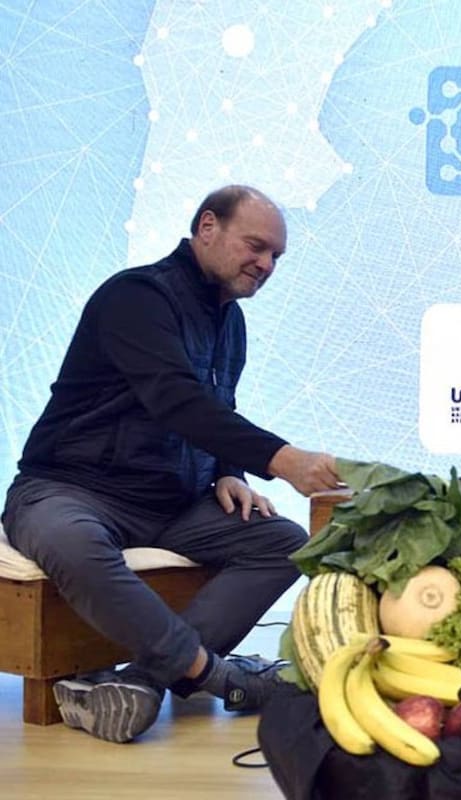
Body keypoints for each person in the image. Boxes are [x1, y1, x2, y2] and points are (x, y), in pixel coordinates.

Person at [1, 185, 342, 744]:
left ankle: (140, 683)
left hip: (171, 505)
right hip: (69, 488)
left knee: (284, 542)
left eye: (276, 256)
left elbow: (216, 407)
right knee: (74, 544)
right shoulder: (135, 296)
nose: (265, 264)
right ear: (207, 226)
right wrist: (281, 460)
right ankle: (216, 676)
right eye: (256, 246)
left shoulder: (230, 321)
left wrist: (230, 469)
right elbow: (174, 398)